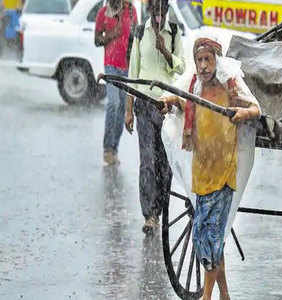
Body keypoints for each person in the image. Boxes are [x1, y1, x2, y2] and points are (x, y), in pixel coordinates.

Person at [161, 37, 261, 300]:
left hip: (224, 170)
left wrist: (243, 114)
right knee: (204, 236)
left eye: (208, 60)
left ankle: (207, 296)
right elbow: (182, 103)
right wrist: (169, 100)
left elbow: (255, 108)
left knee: (213, 236)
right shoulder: (194, 86)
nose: (203, 66)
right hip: (202, 171)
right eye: (199, 61)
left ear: (218, 61)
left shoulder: (230, 85)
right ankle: (224, 294)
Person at [124, 0, 185, 234]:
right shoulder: (140, 33)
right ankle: (149, 214)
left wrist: (165, 52)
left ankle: (161, 209)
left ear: (167, 11)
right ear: (150, 11)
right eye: (155, 10)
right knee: (147, 161)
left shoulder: (174, 33)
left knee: (164, 163)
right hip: (144, 105)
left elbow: (181, 68)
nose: (159, 15)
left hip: (167, 107)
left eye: (163, 10)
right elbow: (133, 72)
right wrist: (129, 110)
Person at [95, 0, 137, 165]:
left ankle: (114, 149)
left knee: (122, 108)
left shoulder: (131, 11)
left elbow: (136, 38)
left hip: (126, 67)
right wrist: (112, 34)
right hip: (111, 65)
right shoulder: (104, 12)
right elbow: (97, 40)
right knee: (113, 103)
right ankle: (107, 148)